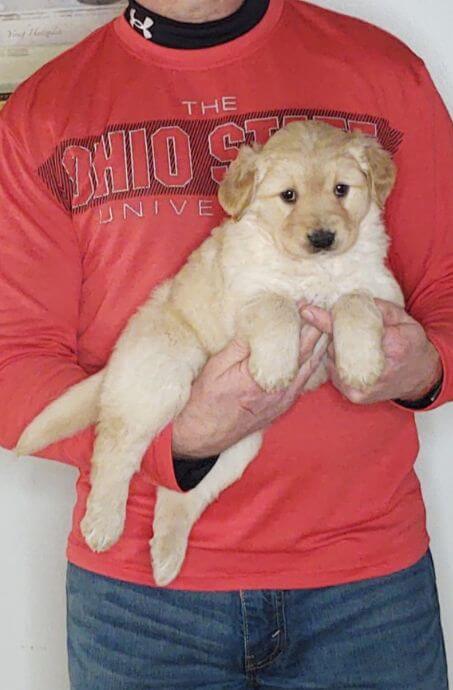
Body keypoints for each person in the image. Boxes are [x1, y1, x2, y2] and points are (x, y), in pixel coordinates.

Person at [0, 0, 451, 687]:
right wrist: (177, 439)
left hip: (364, 584)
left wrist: (427, 368)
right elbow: (11, 356)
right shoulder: (44, 111)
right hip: (138, 601)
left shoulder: (382, 71)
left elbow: (445, 287)